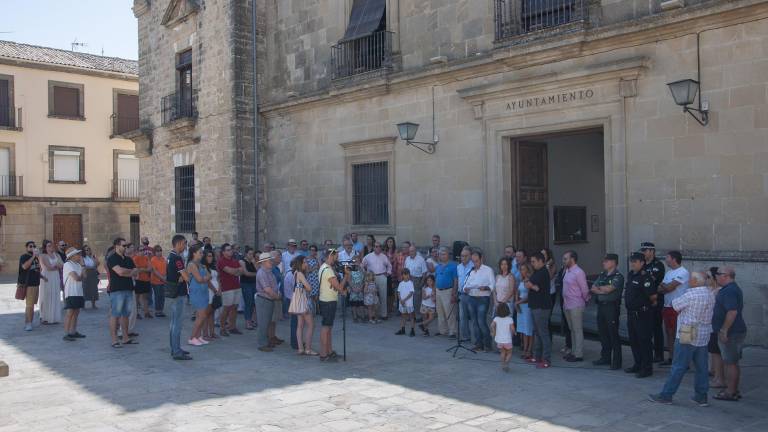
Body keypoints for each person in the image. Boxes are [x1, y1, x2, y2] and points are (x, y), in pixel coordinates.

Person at [649, 272, 715, 406]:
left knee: (678, 366)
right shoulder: (710, 293)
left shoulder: (690, 294)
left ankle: (666, 395)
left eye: (691, 279)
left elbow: (675, 305)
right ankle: (701, 396)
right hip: (703, 332)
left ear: (696, 281)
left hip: (688, 331)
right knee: (702, 367)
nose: (689, 281)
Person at [711, 266, 747, 401]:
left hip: (731, 332)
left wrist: (724, 330)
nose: (716, 276)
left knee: (730, 362)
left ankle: (730, 392)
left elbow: (732, 312)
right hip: (734, 331)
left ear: (726, 276)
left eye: (718, 274)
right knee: (731, 362)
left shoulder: (729, 291)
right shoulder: (730, 289)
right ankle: (732, 389)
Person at [625, 252, 657, 378]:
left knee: (644, 341)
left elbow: (653, 296)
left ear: (642, 263)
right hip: (631, 314)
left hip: (642, 314)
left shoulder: (646, 277)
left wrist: (646, 307)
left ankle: (647, 368)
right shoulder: (631, 275)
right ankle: (637, 364)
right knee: (634, 341)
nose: (632, 264)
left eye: (635, 261)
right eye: (631, 261)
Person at [590, 253, 625, 369]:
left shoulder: (618, 276)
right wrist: (603, 290)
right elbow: (593, 288)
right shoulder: (602, 275)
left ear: (613, 262)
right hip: (601, 306)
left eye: (606, 261)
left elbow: (610, 289)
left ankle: (616, 361)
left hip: (611, 307)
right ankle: (605, 357)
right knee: (603, 333)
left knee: (613, 334)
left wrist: (603, 289)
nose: (603, 263)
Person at [658, 251, 689, 366]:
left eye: (667, 258)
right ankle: (672, 357)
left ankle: (683, 361)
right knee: (669, 333)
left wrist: (663, 285)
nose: (665, 260)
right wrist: (664, 286)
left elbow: (669, 287)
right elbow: (661, 289)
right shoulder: (669, 272)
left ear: (674, 259)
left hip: (678, 308)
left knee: (679, 334)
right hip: (667, 306)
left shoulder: (683, 272)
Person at [318, 248, 349, 361]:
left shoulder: (326, 267)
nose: (337, 259)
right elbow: (339, 287)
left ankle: (329, 351)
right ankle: (323, 354)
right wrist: (346, 276)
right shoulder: (327, 270)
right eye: (336, 257)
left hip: (328, 300)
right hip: (328, 301)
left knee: (329, 327)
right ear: (330, 256)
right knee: (326, 327)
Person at [107, 238, 139, 349]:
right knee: (115, 315)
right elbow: (119, 272)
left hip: (128, 289)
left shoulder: (129, 259)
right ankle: (114, 340)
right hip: (117, 290)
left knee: (125, 315)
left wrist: (127, 272)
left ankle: (126, 338)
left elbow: (136, 273)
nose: (125, 248)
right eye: (123, 245)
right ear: (116, 245)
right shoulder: (112, 258)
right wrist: (129, 272)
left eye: (126, 246)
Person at [463, 249, 495, 352]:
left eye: (477, 261)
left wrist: (485, 288)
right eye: (473, 261)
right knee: (474, 322)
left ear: (482, 259)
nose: (475, 263)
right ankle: (478, 344)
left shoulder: (488, 270)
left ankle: (487, 344)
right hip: (471, 298)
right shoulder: (471, 271)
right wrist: (465, 289)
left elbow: (492, 285)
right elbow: (465, 285)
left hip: (483, 299)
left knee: (481, 322)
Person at [166, 234, 192, 360]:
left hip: (173, 293)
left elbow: (182, 277)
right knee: (177, 323)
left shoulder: (170, 256)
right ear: (179, 243)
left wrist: (183, 277)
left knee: (173, 323)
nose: (185, 246)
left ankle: (175, 348)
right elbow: (186, 277)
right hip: (178, 294)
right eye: (185, 243)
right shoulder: (177, 258)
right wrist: (187, 275)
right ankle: (176, 351)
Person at [561, 250, 589, 362]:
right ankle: (573, 351)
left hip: (576, 304)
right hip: (567, 304)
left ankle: (578, 354)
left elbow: (585, 289)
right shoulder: (567, 271)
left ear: (572, 259)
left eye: (565, 258)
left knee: (577, 329)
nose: (563, 260)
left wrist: (585, 300)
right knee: (572, 329)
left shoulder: (579, 272)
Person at [527, 252, 553, 368]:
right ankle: (537, 356)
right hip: (535, 305)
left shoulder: (543, 272)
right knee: (537, 332)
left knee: (543, 333)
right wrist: (531, 285)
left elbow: (533, 285)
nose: (532, 264)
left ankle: (546, 359)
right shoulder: (537, 272)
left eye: (533, 261)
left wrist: (531, 285)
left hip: (542, 307)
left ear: (541, 261)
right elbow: (529, 283)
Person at [641, 242, 666, 362]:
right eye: (643, 251)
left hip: (656, 299)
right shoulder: (642, 264)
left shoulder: (658, 265)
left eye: (645, 251)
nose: (643, 253)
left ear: (651, 251)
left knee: (656, 327)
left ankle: (659, 354)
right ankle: (647, 352)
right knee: (645, 328)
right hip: (643, 300)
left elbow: (651, 280)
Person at [290, 255, 317, 356]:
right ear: (300, 263)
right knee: (311, 325)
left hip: (297, 300)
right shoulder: (300, 273)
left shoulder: (296, 273)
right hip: (303, 300)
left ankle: (301, 348)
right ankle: (308, 349)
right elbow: (309, 288)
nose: (307, 264)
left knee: (300, 325)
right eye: (305, 262)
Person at [187, 245, 213, 346]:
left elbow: (208, 276)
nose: (202, 255)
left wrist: (205, 278)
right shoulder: (191, 264)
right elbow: (199, 279)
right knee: (201, 316)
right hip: (196, 292)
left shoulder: (202, 265)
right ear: (194, 253)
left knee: (201, 315)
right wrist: (206, 278)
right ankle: (192, 337)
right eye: (200, 253)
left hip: (204, 291)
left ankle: (198, 337)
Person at [255, 252, 279, 352]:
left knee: (267, 322)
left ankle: (266, 341)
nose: (272, 262)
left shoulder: (268, 271)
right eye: (270, 260)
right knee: (263, 323)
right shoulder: (262, 273)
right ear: (264, 262)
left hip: (269, 299)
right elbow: (267, 289)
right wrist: (277, 296)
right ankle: (262, 344)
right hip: (264, 299)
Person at [217, 243, 243, 336]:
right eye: (228, 250)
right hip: (227, 288)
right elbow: (231, 271)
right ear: (223, 252)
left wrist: (236, 271)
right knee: (226, 309)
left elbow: (241, 271)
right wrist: (236, 270)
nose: (230, 251)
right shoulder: (221, 261)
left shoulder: (234, 260)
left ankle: (232, 327)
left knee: (235, 308)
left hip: (236, 286)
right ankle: (222, 328)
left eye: (231, 249)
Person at [361, 241, 392, 320]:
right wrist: (365, 274)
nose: (377, 248)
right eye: (375, 246)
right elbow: (362, 265)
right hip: (371, 279)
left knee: (383, 296)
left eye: (379, 246)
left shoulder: (384, 256)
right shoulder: (368, 256)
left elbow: (389, 266)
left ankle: (384, 314)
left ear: (381, 247)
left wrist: (388, 273)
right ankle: (373, 315)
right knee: (371, 297)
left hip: (382, 276)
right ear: (373, 247)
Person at [706, 267, 725, 390]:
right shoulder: (710, 289)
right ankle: (713, 371)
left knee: (717, 352)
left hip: (715, 325)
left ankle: (719, 378)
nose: (706, 279)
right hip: (709, 325)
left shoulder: (719, 291)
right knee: (712, 351)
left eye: (708, 277)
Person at [62, 247, 86, 341]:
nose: (79, 256)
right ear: (72, 256)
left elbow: (85, 276)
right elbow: (77, 278)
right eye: (77, 254)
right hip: (71, 292)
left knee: (76, 312)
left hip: (79, 292)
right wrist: (82, 274)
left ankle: (73, 331)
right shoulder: (68, 264)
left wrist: (83, 266)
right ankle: (66, 333)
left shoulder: (78, 265)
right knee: (70, 312)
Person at [19, 241, 43, 331]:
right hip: (29, 284)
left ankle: (31, 321)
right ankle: (27, 323)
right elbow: (24, 267)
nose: (32, 247)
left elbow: (39, 269)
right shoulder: (24, 257)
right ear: (26, 248)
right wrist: (33, 256)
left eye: (34, 246)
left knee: (32, 305)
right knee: (29, 305)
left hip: (36, 284)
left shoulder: (36, 258)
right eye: (30, 246)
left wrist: (38, 257)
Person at [434, 247, 458, 337]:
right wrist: (434, 292)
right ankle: (442, 330)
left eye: (444, 254)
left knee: (450, 312)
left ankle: (452, 331)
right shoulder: (438, 266)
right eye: (440, 254)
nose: (442, 256)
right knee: (440, 312)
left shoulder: (453, 266)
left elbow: (455, 280)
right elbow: (435, 279)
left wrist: (454, 293)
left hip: (448, 290)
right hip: (438, 291)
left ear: (448, 255)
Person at [39, 240, 63, 325]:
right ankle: (45, 317)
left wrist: (56, 266)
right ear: (45, 247)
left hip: (55, 277)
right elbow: (48, 268)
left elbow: (62, 265)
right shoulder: (43, 256)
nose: (51, 247)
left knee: (55, 294)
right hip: (47, 277)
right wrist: (56, 265)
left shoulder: (57, 254)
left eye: (51, 245)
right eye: (48, 246)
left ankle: (54, 317)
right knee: (46, 295)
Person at [515, 263, 534, 359]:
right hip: (521, 306)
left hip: (527, 307)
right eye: (520, 269)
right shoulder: (521, 280)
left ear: (527, 270)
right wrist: (517, 301)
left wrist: (518, 302)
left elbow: (529, 296)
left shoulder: (529, 280)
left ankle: (529, 350)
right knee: (522, 329)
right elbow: (517, 292)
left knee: (528, 329)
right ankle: (524, 348)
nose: (521, 271)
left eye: (523, 269)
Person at [404, 245, 428, 319]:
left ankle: (418, 316)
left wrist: (421, 283)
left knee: (417, 300)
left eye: (412, 251)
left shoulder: (421, 259)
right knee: (409, 299)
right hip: (408, 280)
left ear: (415, 251)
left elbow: (424, 273)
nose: (411, 252)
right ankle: (410, 315)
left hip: (417, 280)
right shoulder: (407, 259)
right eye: (410, 251)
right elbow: (405, 270)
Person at [455, 246, 473, 343]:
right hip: (461, 295)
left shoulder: (474, 266)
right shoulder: (458, 267)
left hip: (472, 295)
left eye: (466, 256)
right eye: (462, 256)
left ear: (470, 256)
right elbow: (458, 280)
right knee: (462, 317)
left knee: (474, 317)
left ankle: (477, 338)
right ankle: (466, 337)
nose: (463, 258)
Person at [491, 303, 516, 372]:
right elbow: (512, 328)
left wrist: (493, 332)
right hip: (507, 340)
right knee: (509, 353)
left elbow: (492, 325)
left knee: (502, 352)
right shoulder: (510, 319)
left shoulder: (496, 318)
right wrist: (515, 332)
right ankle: (506, 362)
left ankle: (503, 364)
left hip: (499, 340)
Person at [203, 249, 220, 340]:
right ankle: (205, 334)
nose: (211, 257)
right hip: (209, 291)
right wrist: (214, 290)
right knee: (206, 313)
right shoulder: (203, 266)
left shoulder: (214, 266)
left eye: (211, 256)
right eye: (208, 256)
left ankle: (212, 332)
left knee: (212, 313)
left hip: (215, 291)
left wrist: (219, 289)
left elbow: (218, 278)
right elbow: (207, 281)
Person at [133, 245, 154, 319]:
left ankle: (146, 312)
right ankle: (136, 313)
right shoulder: (135, 258)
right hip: (138, 280)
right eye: (140, 250)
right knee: (137, 298)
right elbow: (137, 269)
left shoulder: (146, 258)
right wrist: (145, 269)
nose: (142, 251)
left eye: (143, 250)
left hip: (146, 280)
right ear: (137, 251)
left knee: (145, 297)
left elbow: (150, 268)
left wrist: (143, 269)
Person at [240, 247, 258, 330]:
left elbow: (259, 270)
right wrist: (256, 274)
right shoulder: (242, 261)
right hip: (246, 284)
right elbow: (246, 273)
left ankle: (251, 320)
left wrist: (254, 263)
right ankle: (248, 322)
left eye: (252, 254)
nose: (251, 255)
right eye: (250, 254)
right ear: (246, 254)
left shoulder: (253, 262)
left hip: (254, 283)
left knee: (253, 303)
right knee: (248, 302)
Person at [396, 268, 416, 337]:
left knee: (411, 317)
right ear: (402, 275)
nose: (406, 276)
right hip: (402, 303)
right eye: (405, 274)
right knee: (403, 316)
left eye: (407, 274)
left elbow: (411, 293)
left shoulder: (410, 283)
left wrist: (404, 300)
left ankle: (412, 330)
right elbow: (398, 292)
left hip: (408, 303)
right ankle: (403, 329)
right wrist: (400, 300)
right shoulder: (401, 283)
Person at [150, 245, 167, 317]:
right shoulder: (153, 259)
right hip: (156, 281)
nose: (159, 252)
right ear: (154, 252)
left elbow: (166, 269)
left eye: (160, 250)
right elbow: (154, 271)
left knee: (162, 296)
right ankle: (157, 311)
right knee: (158, 296)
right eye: (157, 251)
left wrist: (165, 277)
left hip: (163, 280)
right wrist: (163, 278)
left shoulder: (164, 259)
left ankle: (161, 310)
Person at [348, 254, 366, 323]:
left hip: (360, 288)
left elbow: (364, 279)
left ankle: (362, 316)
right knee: (354, 304)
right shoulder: (350, 271)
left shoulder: (362, 270)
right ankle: (355, 316)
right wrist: (353, 288)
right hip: (353, 289)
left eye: (358, 261)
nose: (356, 263)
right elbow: (349, 280)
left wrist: (361, 287)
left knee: (361, 304)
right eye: (355, 261)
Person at [81, 245, 100, 309]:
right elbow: (83, 266)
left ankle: (93, 304)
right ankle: (83, 305)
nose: (88, 251)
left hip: (93, 274)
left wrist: (94, 258)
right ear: (84, 251)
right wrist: (92, 267)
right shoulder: (82, 258)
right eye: (86, 250)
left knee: (94, 289)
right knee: (85, 288)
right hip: (86, 274)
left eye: (89, 249)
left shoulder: (93, 256)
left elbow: (97, 263)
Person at [306, 244, 322, 315]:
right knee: (311, 295)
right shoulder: (306, 259)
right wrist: (315, 267)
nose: (312, 251)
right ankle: (312, 311)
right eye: (311, 250)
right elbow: (308, 270)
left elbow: (321, 267)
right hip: (310, 279)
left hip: (316, 279)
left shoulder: (317, 259)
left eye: (314, 250)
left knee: (316, 296)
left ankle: (317, 310)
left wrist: (318, 259)